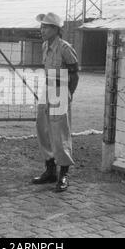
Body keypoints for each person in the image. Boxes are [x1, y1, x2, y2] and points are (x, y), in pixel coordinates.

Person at [32, 12, 80, 193]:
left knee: (60, 131)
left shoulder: (65, 48)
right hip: (48, 88)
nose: (42, 30)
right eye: (41, 26)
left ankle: (64, 174)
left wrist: (69, 94)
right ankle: (50, 169)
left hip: (61, 90)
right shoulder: (45, 46)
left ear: (56, 29)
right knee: (42, 127)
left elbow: (75, 74)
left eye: (45, 27)